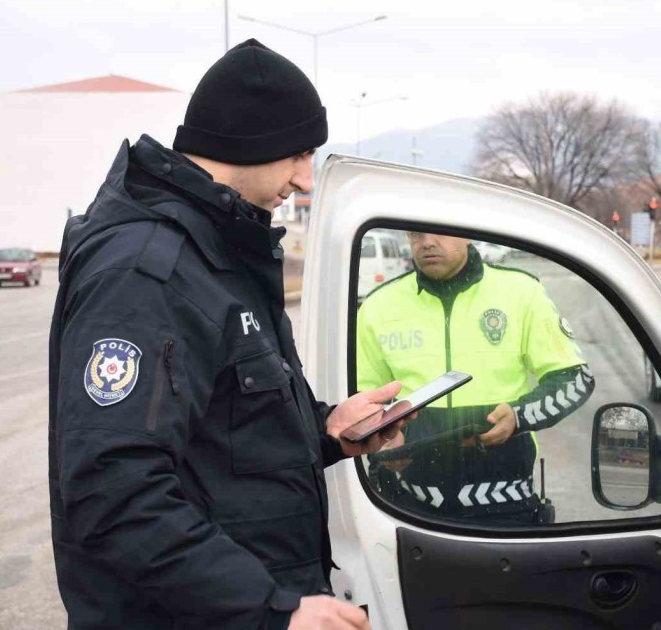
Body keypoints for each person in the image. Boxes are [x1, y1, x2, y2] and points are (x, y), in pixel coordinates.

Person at [48, 39, 406, 630]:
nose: (305, 179)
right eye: (298, 154)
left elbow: (217, 440)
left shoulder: (217, 252)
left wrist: (327, 431)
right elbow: (113, 490)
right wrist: (270, 612)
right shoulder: (148, 270)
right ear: (250, 141)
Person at [356, 232, 595, 525]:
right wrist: (383, 437)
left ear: (466, 233)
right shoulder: (378, 305)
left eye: (439, 230)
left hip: (505, 505)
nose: (427, 242)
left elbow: (574, 379)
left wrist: (518, 416)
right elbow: (360, 399)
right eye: (417, 234)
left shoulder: (521, 291)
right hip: (405, 505)